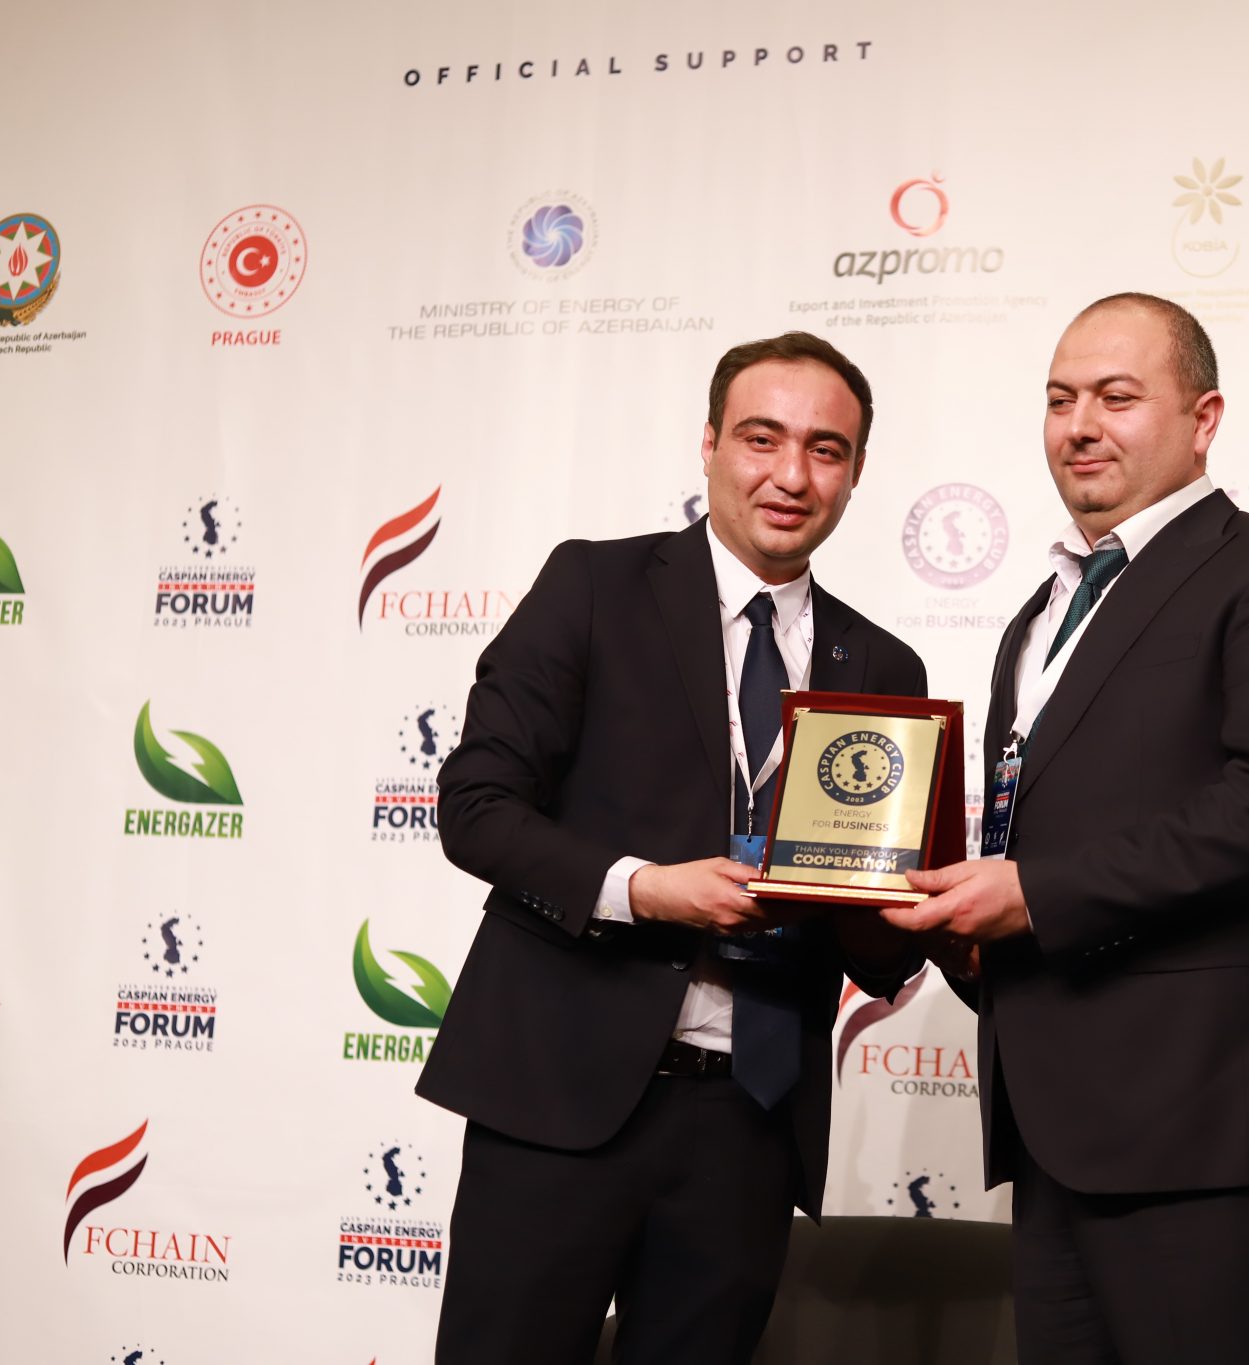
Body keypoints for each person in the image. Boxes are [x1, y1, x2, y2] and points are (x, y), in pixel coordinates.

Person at [419, 332, 927, 1364]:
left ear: (855, 470)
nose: (791, 475)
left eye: (825, 449)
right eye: (761, 438)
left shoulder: (882, 665)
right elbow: (475, 804)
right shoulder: (594, 586)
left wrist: (905, 914)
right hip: (562, 1092)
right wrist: (644, 890)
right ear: (709, 444)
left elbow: (879, 948)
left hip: (750, 1119)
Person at [886, 293, 1249, 1363]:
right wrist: (970, 932)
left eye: (1115, 396)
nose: (1079, 425)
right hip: (1054, 1132)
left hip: (1206, 1128)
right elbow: (1035, 832)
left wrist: (1034, 897)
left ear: (1203, 419)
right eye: (1059, 399)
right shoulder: (1039, 613)